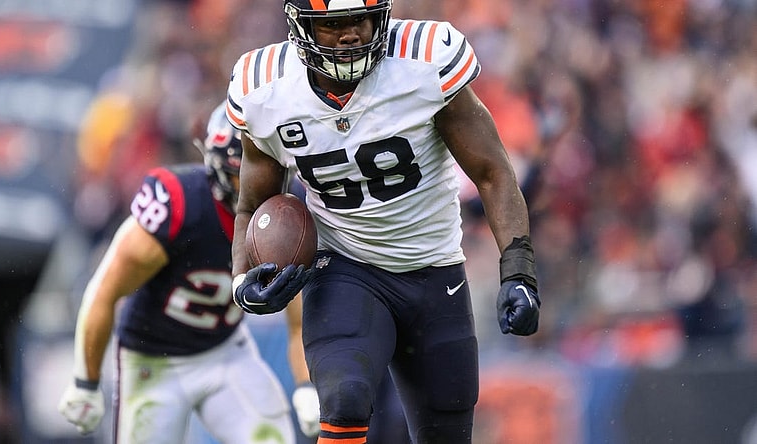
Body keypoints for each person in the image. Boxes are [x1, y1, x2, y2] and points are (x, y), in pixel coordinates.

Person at [225, 1, 541, 443]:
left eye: (360, 19)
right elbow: (252, 203)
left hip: (434, 270)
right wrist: (242, 281)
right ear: (302, 27)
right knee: (344, 400)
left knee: (446, 433)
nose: (350, 34)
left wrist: (519, 269)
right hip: (343, 267)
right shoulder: (267, 91)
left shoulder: (423, 62)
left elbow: (492, 172)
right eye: (334, 24)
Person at [57, 104, 321, 443]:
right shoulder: (181, 203)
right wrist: (85, 380)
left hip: (225, 350)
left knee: (273, 439)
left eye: (268, 168)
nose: (260, 183)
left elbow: (299, 317)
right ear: (219, 169)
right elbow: (105, 291)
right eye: (247, 172)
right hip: (153, 360)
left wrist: (304, 386)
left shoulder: (283, 217)